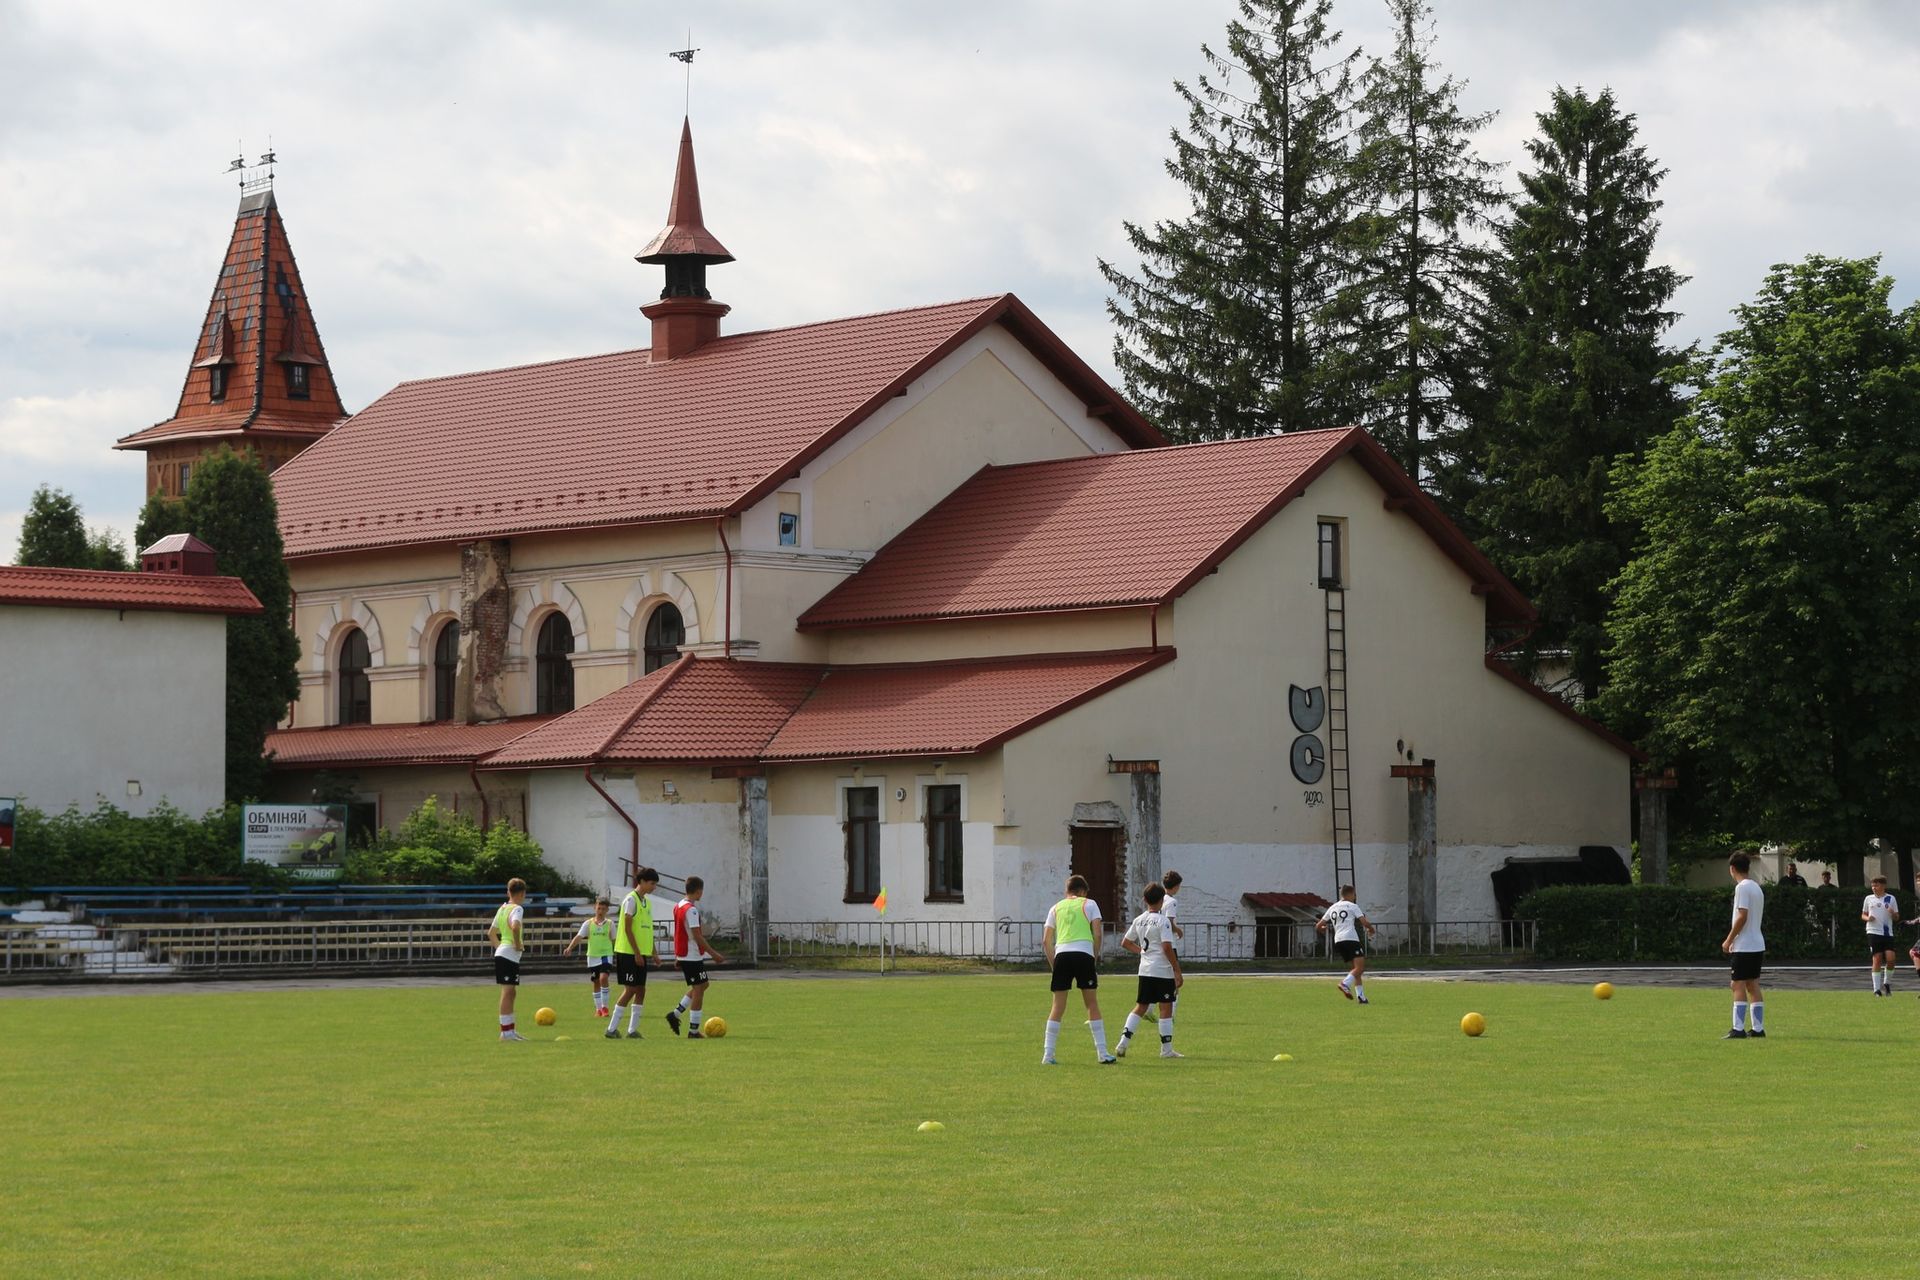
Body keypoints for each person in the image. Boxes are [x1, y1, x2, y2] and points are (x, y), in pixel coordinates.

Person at [1041, 874, 1116, 1065]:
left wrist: (1054, 965)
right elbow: (1097, 934)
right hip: (1084, 954)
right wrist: (1094, 957)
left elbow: (1046, 941)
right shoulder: (1090, 904)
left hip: (1062, 956)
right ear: (1082, 891)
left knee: (1057, 1007)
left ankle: (1048, 1055)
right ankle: (1102, 1053)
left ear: (1067, 891)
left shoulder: (1055, 908)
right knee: (1091, 1004)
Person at [1117, 882, 1183, 1059]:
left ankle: (1123, 1043)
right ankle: (1166, 1050)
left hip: (1145, 970)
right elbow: (1167, 947)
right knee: (1166, 1008)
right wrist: (1177, 970)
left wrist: (1141, 951)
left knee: (1141, 1006)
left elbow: (1125, 942)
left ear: (1145, 900)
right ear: (1162, 901)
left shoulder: (1139, 919)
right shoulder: (1163, 921)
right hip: (1162, 970)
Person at [666, 877, 725, 1038]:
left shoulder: (679, 905)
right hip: (691, 955)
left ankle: (675, 1014)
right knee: (699, 990)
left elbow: (678, 932)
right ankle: (693, 1031)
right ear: (698, 891)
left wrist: (678, 955)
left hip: (686, 954)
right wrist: (714, 954)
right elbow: (697, 935)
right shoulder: (691, 910)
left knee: (703, 984)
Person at [607, 868, 660, 1038]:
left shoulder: (647, 903)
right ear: (642, 881)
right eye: (652, 883)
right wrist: (636, 953)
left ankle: (632, 1030)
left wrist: (654, 952)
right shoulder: (631, 900)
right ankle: (611, 1029)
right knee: (630, 989)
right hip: (628, 953)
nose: (654, 887)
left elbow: (647, 930)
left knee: (641, 990)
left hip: (640, 953)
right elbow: (627, 929)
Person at [1721, 852, 1765, 1039]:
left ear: (1732, 869)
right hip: (1757, 943)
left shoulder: (1742, 888)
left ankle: (1738, 1028)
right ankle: (1758, 1028)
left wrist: (1729, 939)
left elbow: (1742, 916)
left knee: (1736, 984)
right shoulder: (1756, 887)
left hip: (1745, 945)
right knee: (1753, 984)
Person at [1316, 884, 1377, 1004]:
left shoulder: (1333, 907)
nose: (1355, 897)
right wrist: (1371, 929)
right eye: (1354, 894)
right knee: (1360, 968)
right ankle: (1344, 984)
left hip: (1338, 940)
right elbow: (1364, 922)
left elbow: (1318, 926)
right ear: (1350, 894)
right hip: (1350, 939)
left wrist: (1324, 929)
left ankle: (1361, 997)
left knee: (1355, 969)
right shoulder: (1352, 906)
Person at [486, 878, 529, 1042]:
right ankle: (505, 1033)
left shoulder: (502, 909)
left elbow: (491, 933)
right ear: (522, 893)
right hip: (508, 954)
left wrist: (500, 949)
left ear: (508, 892)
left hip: (505, 954)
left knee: (511, 992)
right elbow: (516, 927)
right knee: (507, 992)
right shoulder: (517, 908)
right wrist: (517, 945)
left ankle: (510, 1030)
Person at [562, 895, 617, 1021]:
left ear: (607, 910)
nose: (601, 911)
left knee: (603, 978)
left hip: (606, 955)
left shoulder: (610, 924)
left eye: (603, 909)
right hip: (592, 956)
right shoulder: (588, 923)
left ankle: (605, 1007)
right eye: (599, 908)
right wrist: (569, 948)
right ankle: (598, 1009)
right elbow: (579, 937)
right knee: (596, 981)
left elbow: (615, 940)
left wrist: (618, 953)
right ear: (595, 908)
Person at [1863, 874, 1900, 996]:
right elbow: (1863, 915)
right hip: (1873, 932)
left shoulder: (1891, 898)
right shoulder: (1868, 899)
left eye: (1876, 885)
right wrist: (1868, 918)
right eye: (1872, 885)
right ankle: (1876, 990)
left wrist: (1892, 913)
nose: (1874, 888)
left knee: (1891, 959)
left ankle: (1887, 983)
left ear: (1883, 886)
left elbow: (1896, 917)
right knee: (1877, 959)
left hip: (1887, 933)